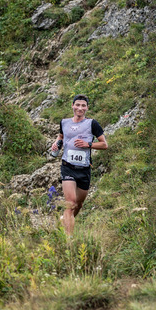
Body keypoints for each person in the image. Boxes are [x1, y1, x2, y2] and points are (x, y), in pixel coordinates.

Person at [50, 95, 107, 235]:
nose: (80, 108)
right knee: (70, 203)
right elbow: (61, 137)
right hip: (67, 166)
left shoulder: (92, 124)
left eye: (83, 106)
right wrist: (56, 143)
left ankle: (64, 220)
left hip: (84, 169)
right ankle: (68, 239)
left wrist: (88, 144)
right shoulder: (64, 122)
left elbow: (104, 144)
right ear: (72, 105)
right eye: (77, 105)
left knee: (79, 204)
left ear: (87, 108)